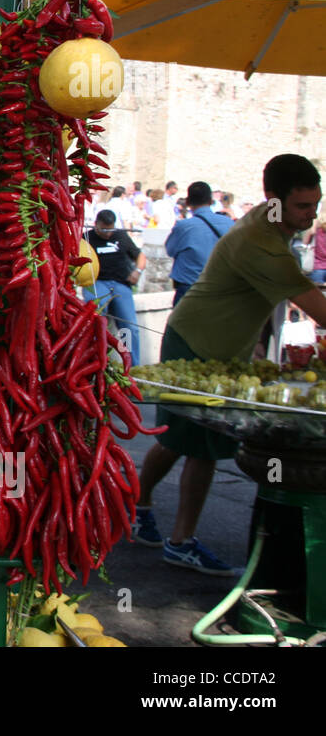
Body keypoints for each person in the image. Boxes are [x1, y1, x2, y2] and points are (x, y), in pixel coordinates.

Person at [136, 154, 326, 575]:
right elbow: (315, 305)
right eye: (302, 207)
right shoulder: (260, 242)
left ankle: (138, 506)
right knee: (203, 445)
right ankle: (181, 542)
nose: (310, 216)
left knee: (175, 437)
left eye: (315, 205)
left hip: (213, 342)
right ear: (274, 200)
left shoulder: (271, 221)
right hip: (199, 343)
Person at [84, 209, 147, 363]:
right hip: (97, 283)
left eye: (110, 229)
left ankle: (132, 364)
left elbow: (140, 256)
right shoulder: (86, 238)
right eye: (104, 229)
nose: (108, 233)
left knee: (129, 327)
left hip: (120, 283)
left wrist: (137, 271)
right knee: (95, 322)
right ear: (96, 224)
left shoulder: (120, 236)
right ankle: (96, 361)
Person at [164, 182, 233, 306]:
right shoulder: (228, 223)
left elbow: (170, 250)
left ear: (188, 202)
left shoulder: (183, 226)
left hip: (189, 287)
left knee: (181, 325)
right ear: (211, 201)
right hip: (220, 286)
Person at [308, 216, 326, 284]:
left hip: (318, 267)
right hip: (318, 268)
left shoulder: (316, 231)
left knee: (318, 292)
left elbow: (305, 242)